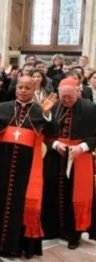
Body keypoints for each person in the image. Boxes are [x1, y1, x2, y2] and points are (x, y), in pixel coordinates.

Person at [0, 76, 57, 259]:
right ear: (16, 88)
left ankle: (13, 245)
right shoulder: (3, 107)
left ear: (34, 88)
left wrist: (46, 115)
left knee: (19, 203)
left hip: (25, 166)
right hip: (1, 163)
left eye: (28, 87)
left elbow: (52, 133)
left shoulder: (39, 109)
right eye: (20, 87)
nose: (23, 90)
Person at [42, 78, 96, 249]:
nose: (65, 101)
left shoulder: (91, 108)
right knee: (51, 191)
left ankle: (73, 234)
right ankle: (51, 230)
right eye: (63, 97)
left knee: (75, 194)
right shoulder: (53, 106)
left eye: (69, 97)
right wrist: (55, 144)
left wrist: (83, 146)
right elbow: (42, 131)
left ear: (78, 92)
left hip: (79, 156)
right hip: (55, 156)